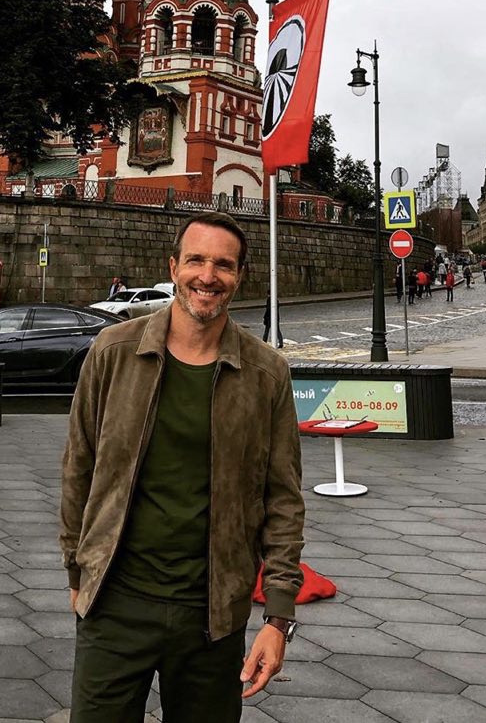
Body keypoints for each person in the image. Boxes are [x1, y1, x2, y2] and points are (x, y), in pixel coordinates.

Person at [61, 212, 305, 722]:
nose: (207, 276)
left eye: (223, 264)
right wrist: (75, 568)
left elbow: (283, 498)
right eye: (195, 260)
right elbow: (78, 467)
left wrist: (278, 616)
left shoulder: (266, 373)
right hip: (116, 602)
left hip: (214, 614)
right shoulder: (114, 351)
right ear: (173, 267)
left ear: (239, 277)